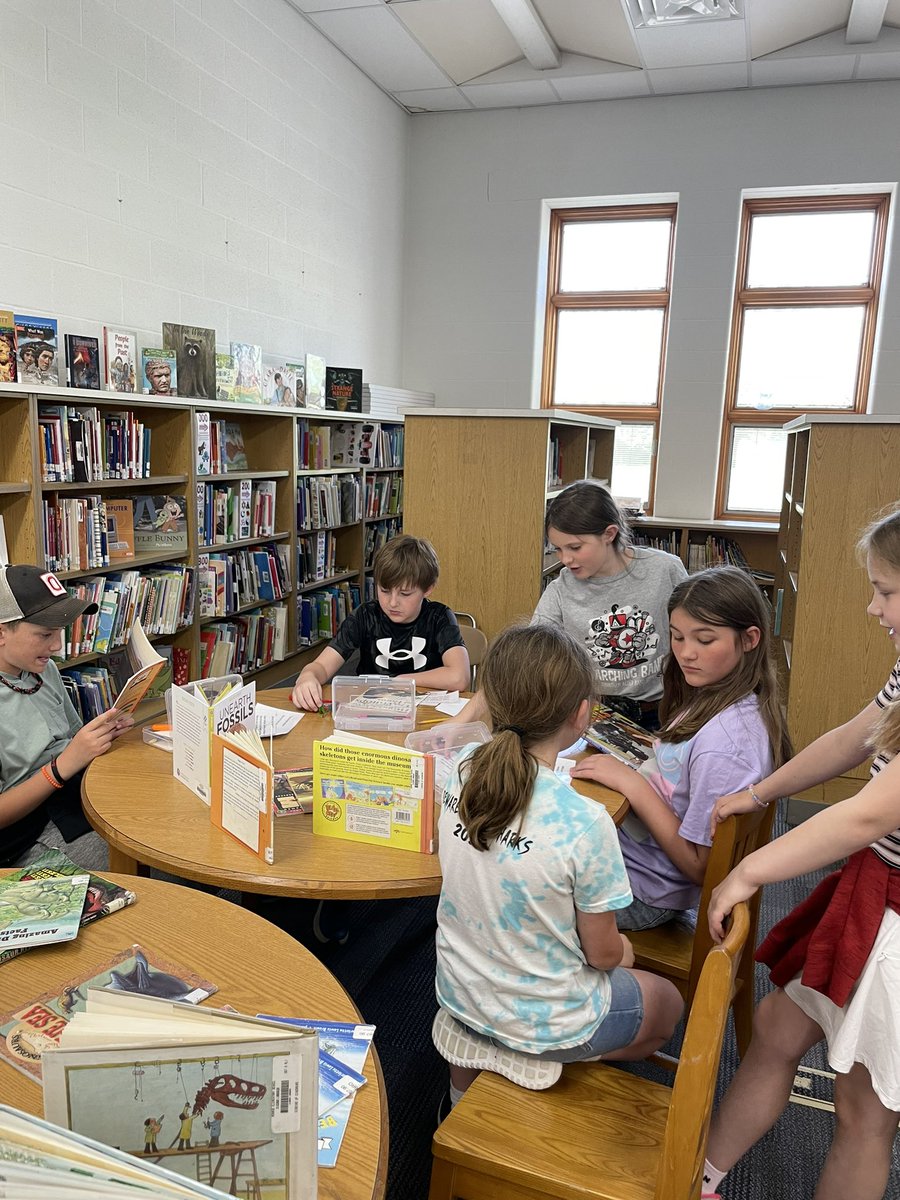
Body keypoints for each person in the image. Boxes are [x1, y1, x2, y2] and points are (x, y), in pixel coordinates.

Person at [701, 505, 900, 1200]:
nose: (872, 607)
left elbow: (869, 813)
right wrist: (760, 793)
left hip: (897, 922)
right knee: (781, 1031)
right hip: (874, 892)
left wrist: (749, 871)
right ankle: (699, 1176)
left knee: (863, 1112)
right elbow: (857, 737)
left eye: (887, 591)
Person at [433, 623, 683, 1107]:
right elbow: (603, 956)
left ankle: (462, 1096)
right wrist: (626, 952)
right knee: (668, 1004)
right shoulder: (587, 823)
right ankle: (545, 1069)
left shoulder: (462, 769)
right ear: (582, 715)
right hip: (549, 1019)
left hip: (459, 994)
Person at [570, 565, 790, 930]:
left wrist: (633, 786)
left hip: (644, 891)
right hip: (638, 862)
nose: (686, 653)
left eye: (704, 640)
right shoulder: (719, 698)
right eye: (677, 637)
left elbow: (700, 866)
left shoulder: (725, 745)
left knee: (516, 879)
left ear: (750, 639)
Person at [454, 482, 687, 732]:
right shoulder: (561, 588)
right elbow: (522, 658)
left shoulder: (665, 571)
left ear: (609, 534)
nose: (566, 559)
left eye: (575, 548)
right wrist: (460, 721)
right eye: (558, 549)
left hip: (664, 712)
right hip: (593, 716)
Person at [0, 564, 134, 870]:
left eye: (59, 631)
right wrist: (61, 768)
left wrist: (103, 734)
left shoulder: (40, 667)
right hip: (25, 834)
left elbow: (71, 740)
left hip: (73, 793)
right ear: (1, 633)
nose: (57, 645)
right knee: (144, 866)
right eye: (45, 634)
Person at [291, 534, 470, 710]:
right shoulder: (365, 616)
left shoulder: (439, 617)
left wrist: (400, 681)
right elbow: (322, 665)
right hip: (371, 712)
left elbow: (459, 676)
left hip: (423, 713)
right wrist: (307, 676)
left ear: (428, 588)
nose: (392, 602)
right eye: (384, 590)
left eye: (405, 594)